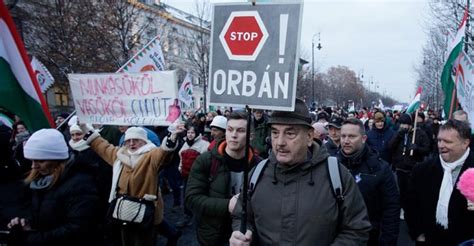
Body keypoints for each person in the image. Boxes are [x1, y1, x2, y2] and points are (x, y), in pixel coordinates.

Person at [229, 98, 370, 246]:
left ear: (309, 136)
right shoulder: (257, 174)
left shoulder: (337, 175)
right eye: (275, 133)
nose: (279, 142)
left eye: (290, 133)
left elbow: (356, 229)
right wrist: (243, 234)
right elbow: (241, 216)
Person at [81, 125, 179, 246]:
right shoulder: (119, 155)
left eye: (136, 140)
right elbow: (102, 146)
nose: (131, 143)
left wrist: (172, 136)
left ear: (144, 141)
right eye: (128, 141)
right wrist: (85, 128)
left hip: (146, 212)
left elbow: (164, 154)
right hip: (124, 210)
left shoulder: (151, 155)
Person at [7, 129, 99, 245]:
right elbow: (45, 216)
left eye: (40, 161)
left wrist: (32, 239)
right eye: (32, 160)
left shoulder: (81, 184)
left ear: (56, 159)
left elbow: (78, 229)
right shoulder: (40, 181)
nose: (34, 166)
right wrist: (27, 224)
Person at [184, 112, 261, 246]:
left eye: (241, 130)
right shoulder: (206, 160)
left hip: (244, 236)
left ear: (251, 136)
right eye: (230, 129)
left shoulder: (259, 166)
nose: (234, 135)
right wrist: (228, 205)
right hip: (212, 236)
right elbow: (191, 198)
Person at [405, 119, 474, 245]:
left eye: (447, 141)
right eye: (439, 140)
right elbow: (411, 205)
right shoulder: (422, 170)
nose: (441, 145)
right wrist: (418, 234)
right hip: (430, 240)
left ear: (465, 143)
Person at [338, 118, 400, 245]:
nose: (346, 141)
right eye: (343, 136)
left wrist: (387, 241)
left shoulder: (380, 168)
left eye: (352, 136)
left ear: (363, 138)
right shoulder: (332, 165)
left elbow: (391, 209)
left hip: (370, 237)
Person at [389, 113, 430, 215]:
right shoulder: (399, 133)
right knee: (401, 191)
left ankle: (412, 210)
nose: (402, 126)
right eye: (401, 124)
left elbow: (427, 149)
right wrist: (398, 136)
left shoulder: (419, 134)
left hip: (413, 168)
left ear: (410, 124)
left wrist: (417, 148)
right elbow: (390, 147)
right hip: (400, 168)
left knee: (412, 191)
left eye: (405, 124)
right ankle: (403, 208)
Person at [175, 124, 209, 228]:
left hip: (199, 177)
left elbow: (206, 162)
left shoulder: (204, 144)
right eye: (188, 132)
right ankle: (187, 216)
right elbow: (181, 157)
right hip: (186, 176)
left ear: (197, 133)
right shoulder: (185, 144)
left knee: (199, 196)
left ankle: (202, 218)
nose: (190, 135)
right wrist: (180, 168)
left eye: (192, 132)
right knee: (186, 196)